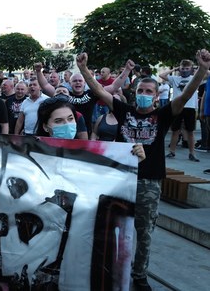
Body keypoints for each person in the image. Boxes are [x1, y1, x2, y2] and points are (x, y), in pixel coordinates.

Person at [77, 49, 210, 291]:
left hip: (149, 183)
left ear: (157, 96)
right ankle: (110, 270)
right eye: (140, 91)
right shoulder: (123, 111)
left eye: (149, 92)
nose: (144, 95)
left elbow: (187, 93)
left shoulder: (163, 114)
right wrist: (84, 68)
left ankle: (139, 275)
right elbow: (98, 90)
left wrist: (202, 69)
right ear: (134, 93)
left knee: (144, 233)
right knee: (111, 227)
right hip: (120, 180)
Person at [160, 59, 210, 162]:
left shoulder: (194, 79)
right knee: (175, 130)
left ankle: (192, 153)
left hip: (190, 107)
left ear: (191, 69)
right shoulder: (175, 78)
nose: (184, 70)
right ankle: (172, 151)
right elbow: (162, 75)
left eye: (187, 68)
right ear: (179, 69)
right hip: (177, 106)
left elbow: (208, 74)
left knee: (190, 131)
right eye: (182, 68)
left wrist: (197, 68)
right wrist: (174, 69)